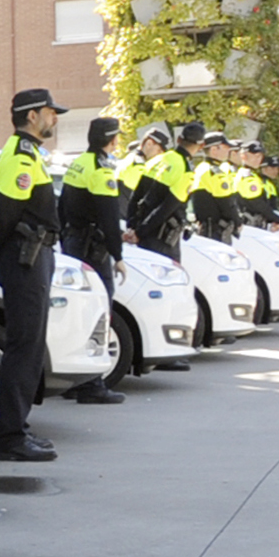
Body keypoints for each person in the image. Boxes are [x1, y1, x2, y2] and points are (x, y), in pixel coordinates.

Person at [0, 89, 64, 463]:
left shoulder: (27, 154)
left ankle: (16, 428)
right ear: (32, 116)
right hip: (25, 259)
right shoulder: (20, 158)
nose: (54, 119)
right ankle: (9, 436)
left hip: (33, 257)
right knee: (25, 346)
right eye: (50, 113)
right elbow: (5, 215)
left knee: (29, 345)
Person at [59, 117, 128, 406]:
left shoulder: (78, 164)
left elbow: (61, 206)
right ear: (110, 140)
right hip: (94, 250)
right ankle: (92, 385)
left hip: (74, 243)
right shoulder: (102, 170)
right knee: (99, 313)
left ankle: (75, 380)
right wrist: (118, 255)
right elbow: (109, 217)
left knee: (77, 312)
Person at [128, 125, 190, 265]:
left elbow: (135, 198)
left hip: (141, 231)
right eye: (160, 150)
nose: (162, 154)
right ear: (149, 143)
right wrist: (137, 232)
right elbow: (163, 207)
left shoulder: (149, 164)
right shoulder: (141, 164)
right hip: (156, 236)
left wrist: (132, 226)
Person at [191, 131, 241, 244]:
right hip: (215, 231)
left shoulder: (201, 167)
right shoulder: (215, 172)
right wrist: (237, 222)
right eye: (225, 147)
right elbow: (225, 202)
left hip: (206, 228)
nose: (229, 151)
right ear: (214, 149)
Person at [234, 141, 279, 230]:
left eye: (260, 156)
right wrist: (275, 218)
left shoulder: (253, 175)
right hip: (249, 225)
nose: (259, 159)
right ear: (244, 156)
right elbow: (257, 203)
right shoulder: (246, 175)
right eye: (255, 156)